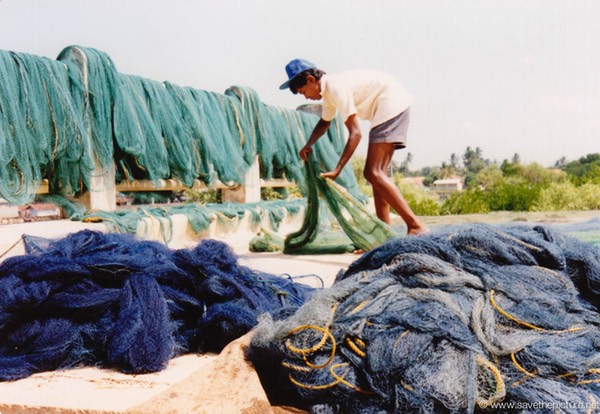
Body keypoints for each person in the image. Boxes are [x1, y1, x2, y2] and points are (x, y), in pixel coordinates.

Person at [279, 58, 430, 235]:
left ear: (311, 80)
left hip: (390, 103)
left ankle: (415, 226)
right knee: (377, 176)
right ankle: (383, 233)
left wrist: (338, 169)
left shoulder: (335, 87)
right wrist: (308, 144)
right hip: (388, 106)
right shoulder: (328, 93)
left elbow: (355, 133)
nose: (305, 97)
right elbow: (324, 122)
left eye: (303, 91)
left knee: (373, 172)